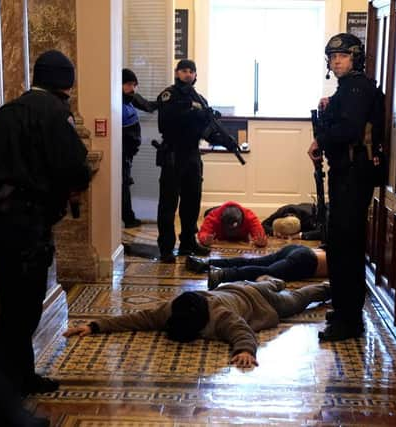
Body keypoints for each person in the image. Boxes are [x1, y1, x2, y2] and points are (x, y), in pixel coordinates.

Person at [0, 50, 91, 397]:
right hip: (26, 223)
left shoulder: (8, 111)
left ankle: (16, 377)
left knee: (10, 304)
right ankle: (11, 383)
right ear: (65, 82)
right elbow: (74, 167)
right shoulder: (56, 114)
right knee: (24, 309)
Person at [62, 277, 330, 369]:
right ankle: (269, 280)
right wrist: (95, 326)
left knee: (296, 300)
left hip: (259, 301)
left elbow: (242, 332)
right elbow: (137, 318)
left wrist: (245, 351)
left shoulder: (221, 317)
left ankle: (328, 287)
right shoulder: (172, 309)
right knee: (267, 284)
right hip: (234, 288)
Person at [307, 33, 380, 341]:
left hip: (353, 175)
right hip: (346, 174)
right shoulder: (348, 88)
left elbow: (349, 129)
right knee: (339, 246)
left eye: (343, 56)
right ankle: (344, 310)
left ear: (355, 58)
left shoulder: (357, 87)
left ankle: (349, 321)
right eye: (333, 57)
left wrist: (321, 137)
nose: (336, 61)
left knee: (346, 249)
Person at [155, 59, 211, 263]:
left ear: (196, 75)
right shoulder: (169, 95)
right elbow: (168, 120)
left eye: (191, 71)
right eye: (184, 71)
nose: (188, 74)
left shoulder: (200, 98)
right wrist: (192, 112)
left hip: (192, 155)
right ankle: (166, 248)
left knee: (192, 202)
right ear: (177, 73)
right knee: (168, 204)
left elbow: (207, 128)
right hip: (173, 154)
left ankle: (188, 243)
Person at [185, 243, 327, 290]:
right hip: (307, 261)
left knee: (254, 261)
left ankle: (205, 263)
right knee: (268, 272)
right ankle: (223, 274)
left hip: (300, 249)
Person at [122, 68, 158, 228]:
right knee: (122, 186)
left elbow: (149, 106)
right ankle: (128, 218)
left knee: (125, 185)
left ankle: (129, 217)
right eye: (129, 84)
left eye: (134, 85)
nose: (133, 88)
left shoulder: (130, 98)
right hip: (120, 154)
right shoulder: (115, 102)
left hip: (128, 155)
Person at [198, 201, 268, 248]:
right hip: (215, 211)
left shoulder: (250, 216)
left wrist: (261, 242)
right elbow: (203, 233)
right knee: (206, 213)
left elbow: (260, 236)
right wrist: (204, 239)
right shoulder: (213, 217)